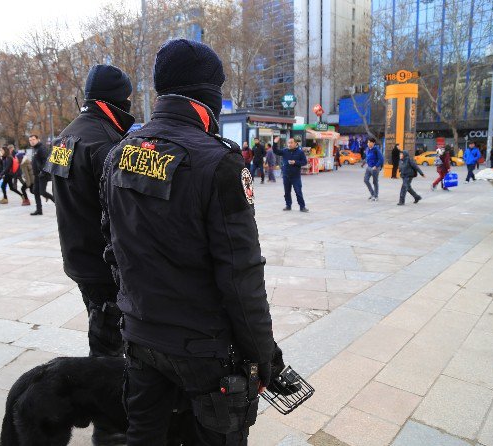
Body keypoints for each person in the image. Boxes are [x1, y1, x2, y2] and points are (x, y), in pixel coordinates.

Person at [101, 39, 275, 445]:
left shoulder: (118, 154)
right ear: (209, 94)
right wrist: (262, 354)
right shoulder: (219, 162)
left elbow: (112, 248)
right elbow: (241, 275)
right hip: (205, 349)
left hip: (141, 335)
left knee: (144, 437)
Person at [45, 63, 135, 367]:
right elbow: (122, 214)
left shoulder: (66, 136)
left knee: (101, 327)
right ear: (118, 100)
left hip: (78, 256)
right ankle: (106, 403)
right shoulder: (105, 143)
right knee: (108, 349)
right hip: (103, 264)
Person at [273, 136, 309, 212]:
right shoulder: (285, 151)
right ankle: (288, 205)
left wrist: (295, 162)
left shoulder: (300, 152)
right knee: (287, 192)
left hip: (296, 176)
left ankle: (302, 207)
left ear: (296, 143)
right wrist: (275, 143)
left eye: (291, 142)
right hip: (286, 175)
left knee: (298, 191)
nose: (289, 144)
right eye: (288, 142)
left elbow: (304, 162)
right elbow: (275, 151)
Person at [28, 134, 54, 215]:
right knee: (35, 192)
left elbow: (46, 161)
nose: (32, 141)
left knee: (42, 192)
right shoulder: (34, 149)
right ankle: (39, 210)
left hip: (43, 175)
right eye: (30, 140)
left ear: (38, 139)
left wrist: (43, 172)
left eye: (33, 139)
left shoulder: (41, 148)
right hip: (36, 175)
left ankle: (58, 203)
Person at [361, 137, 384, 201]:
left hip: (375, 168)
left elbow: (381, 159)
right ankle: (372, 193)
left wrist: (376, 166)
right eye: (368, 142)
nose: (368, 143)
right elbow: (367, 157)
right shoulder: (367, 149)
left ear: (373, 143)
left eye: (370, 142)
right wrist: (364, 163)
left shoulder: (376, 149)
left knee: (375, 182)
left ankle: (376, 196)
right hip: (368, 167)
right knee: (366, 180)